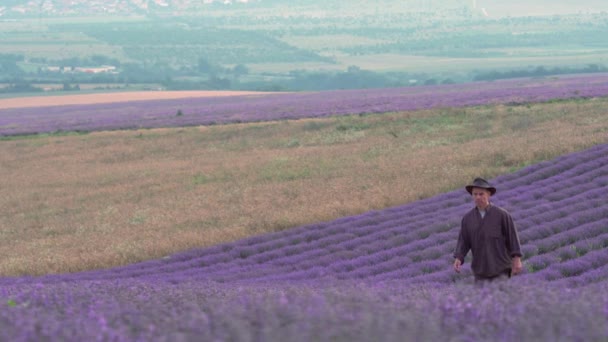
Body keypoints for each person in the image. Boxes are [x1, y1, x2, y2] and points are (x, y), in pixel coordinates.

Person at [453, 177, 523, 282]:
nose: (477, 197)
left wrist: (517, 259)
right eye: (475, 194)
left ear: (489, 194)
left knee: (501, 298)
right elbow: (463, 241)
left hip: (501, 268)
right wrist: (459, 258)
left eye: (481, 194)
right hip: (480, 270)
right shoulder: (467, 219)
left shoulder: (502, 215)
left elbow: (512, 238)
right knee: (484, 298)